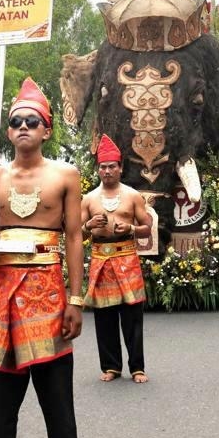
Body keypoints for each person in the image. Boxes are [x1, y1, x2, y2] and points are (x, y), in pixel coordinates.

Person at [0, 77, 84, 438]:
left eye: (31, 122)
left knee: (55, 389)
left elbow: (74, 237)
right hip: (2, 294)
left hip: (47, 294)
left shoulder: (65, 175)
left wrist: (76, 299)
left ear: (46, 130)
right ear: (8, 130)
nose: (22, 127)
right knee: (0, 389)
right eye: (16, 122)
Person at [81, 134, 152, 383]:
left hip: (127, 259)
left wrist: (131, 229)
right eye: (103, 167)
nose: (107, 171)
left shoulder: (132, 196)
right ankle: (111, 366)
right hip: (100, 260)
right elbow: (77, 234)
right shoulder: (89, 199)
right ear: (98, 169)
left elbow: (148, 227)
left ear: (120, 168)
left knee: (132, 317)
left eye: (112, 166)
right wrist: (89, 225)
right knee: (104, 317)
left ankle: (137, 368)